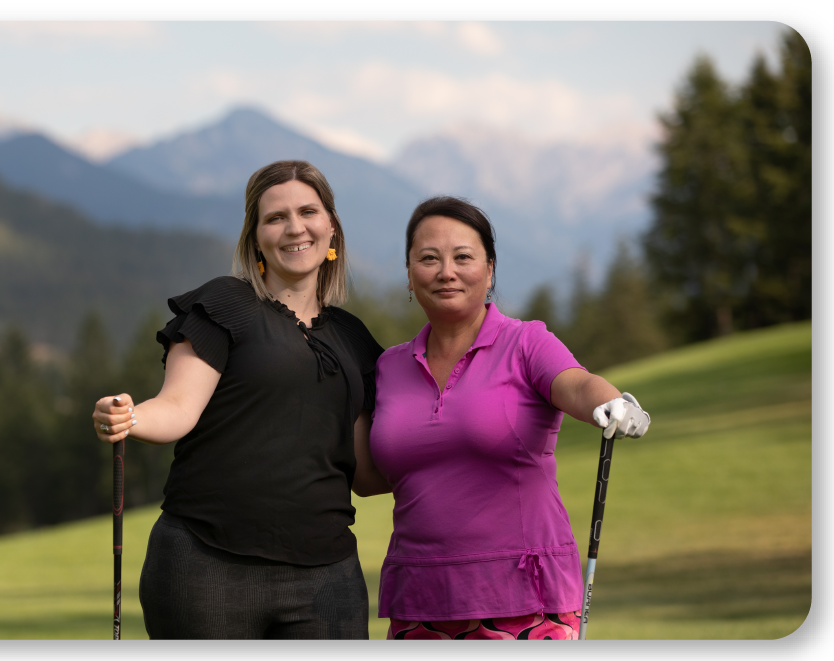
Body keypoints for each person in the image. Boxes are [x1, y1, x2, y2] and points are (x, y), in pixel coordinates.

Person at [93, 160, 384, 640]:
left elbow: (369, 473)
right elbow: (177, 408)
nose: (294, 228)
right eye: (275, 217)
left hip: (328, 577)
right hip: (206, 567)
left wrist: (458, 453)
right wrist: (127, 416)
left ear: (331, 227)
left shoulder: (353, 339)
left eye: (308, 211)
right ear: (255, 239)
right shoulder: (225, 304)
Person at [352, 196, 650, 641]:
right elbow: (370, 478)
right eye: (428, 258)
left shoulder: (527, 342)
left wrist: (612, 403)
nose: (446, 271)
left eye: (463, 257)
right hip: (420, 601)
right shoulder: (388, 367)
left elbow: (576, 384)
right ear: (410, 274)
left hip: (525, 600)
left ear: (489, 271)